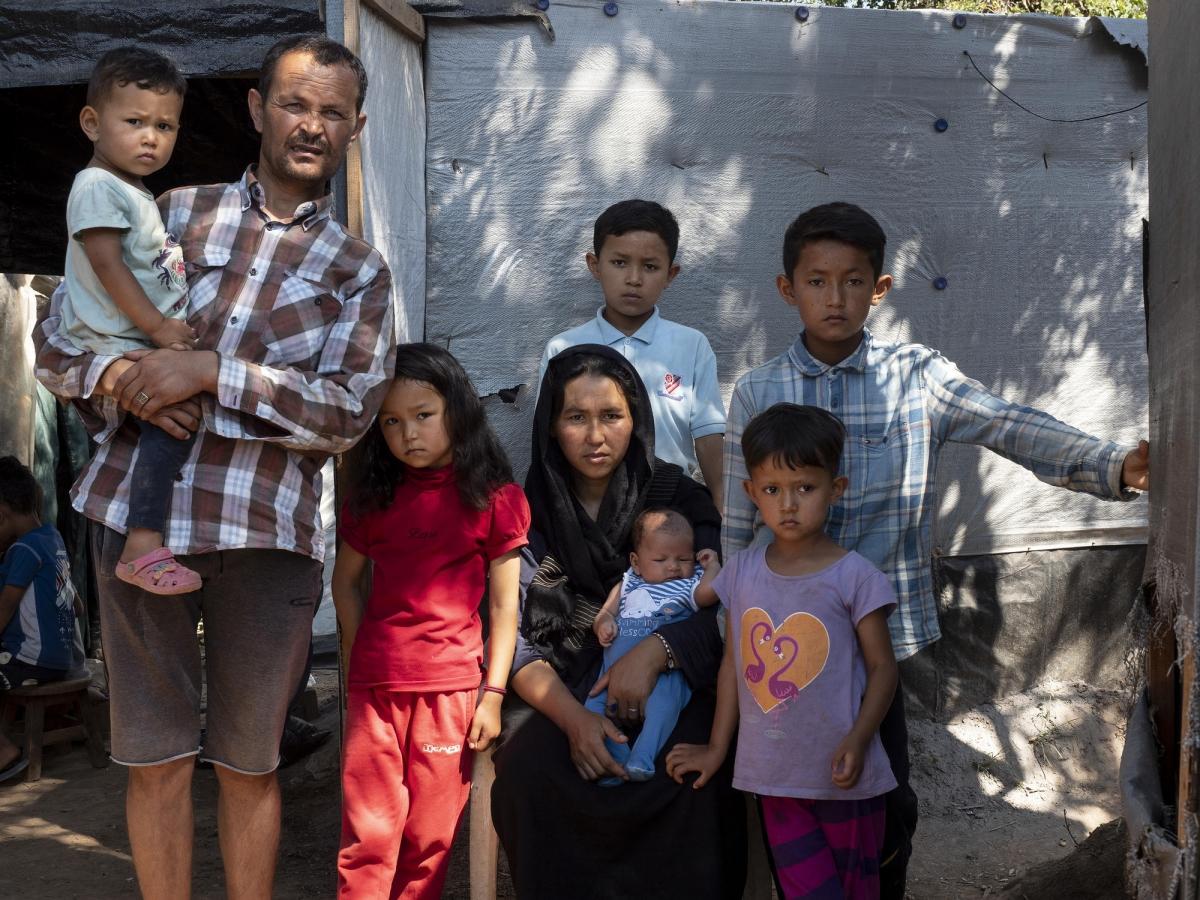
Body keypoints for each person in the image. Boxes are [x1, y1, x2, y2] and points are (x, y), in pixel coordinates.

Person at [34, 35, 395, 899]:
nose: (312, 125)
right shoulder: (169, 210)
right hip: (134, 520)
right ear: (257, 108)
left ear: (356, 126)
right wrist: (126, 379)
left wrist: (211, 373)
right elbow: (57, 338)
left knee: (247, 763)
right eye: (296, 104)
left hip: (266, 536)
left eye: (332, 111)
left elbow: (348, 410)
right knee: (154, 758)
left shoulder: (358, 271)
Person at [721, 201, 1152, 897]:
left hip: (872, 647)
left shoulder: (916, 377)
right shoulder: (759, 390)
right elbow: (737, 528)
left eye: (853, 281)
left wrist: (1112, 465)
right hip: (784, 650)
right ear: (786, 288)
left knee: (885, 801)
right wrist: (727, 644)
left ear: (880, 289)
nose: (836, 298)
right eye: (817, 280)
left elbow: (1008, 424)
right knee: (791, 801)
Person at [491, 344, 746, 898]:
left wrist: (655, 653)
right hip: (569, 683)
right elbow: (512, 635)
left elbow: (728, 606)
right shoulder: (526, 513)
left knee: (692, 779)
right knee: (531, 776)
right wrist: (573, 721)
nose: (595, 435)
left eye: (611, 415)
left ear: (637, 419)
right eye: (575, 417)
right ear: (551, 426)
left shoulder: (680, 500)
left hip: (682, 675)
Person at [669, 405, 898, 899]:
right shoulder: (742, 574)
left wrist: (860, 739)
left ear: (835, 490)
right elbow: (734, 665)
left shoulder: (855, 578)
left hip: (844, 779)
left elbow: (883, 669)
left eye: (805, 488)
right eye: (772, 490)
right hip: (774, 781)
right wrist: (716, 748)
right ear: (752, 494)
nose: (788, 504)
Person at [332, 343, 529, 898]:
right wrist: (354, 656)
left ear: (458, 412)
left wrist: (492, 693)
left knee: (429, 837)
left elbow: (504, 607)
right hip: (376, 689)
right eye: (391, 421)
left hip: (451, 693)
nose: (408, 434)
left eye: (423, 415)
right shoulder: (371, 498)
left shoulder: (495, 500)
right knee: (368, 831)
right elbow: (345, 582)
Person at [61, 47, 200, 595]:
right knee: (173, 420)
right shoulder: (96, 187)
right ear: (93, 123)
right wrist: (161, 330)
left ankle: (150, 538)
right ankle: (142, 546)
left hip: (135, 336)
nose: (151, 137)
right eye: (135, 122)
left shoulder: (132, 192)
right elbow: (107, 266)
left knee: (174, 422)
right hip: (118, 340)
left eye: (164, 126)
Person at [537, 200, 727, 507]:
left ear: (671, 273)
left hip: (670, 506)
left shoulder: (691, 345)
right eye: (620, 262)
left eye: (650, 266)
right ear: (595, 265)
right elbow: (550, 442)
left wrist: (721, 515)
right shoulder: (564, 349)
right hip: (589, 506)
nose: (634, 279)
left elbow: (708, 438)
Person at [586, 508, 721, 783]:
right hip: (611, 672)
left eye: (683, 558)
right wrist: (604, 624)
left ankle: (643, 755)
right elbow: (605, 612)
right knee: (591, 706)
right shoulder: (629, 582)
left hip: (665, 672)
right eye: (660, 559)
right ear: (636, 562)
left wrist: (712, 567)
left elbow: (708, 595)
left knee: (665, 704)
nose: (673, 566)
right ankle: (618, 755)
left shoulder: (689, 583)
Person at [0, 457, 82, 782]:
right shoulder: (52, 540)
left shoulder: (23, 550)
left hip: (30, 659)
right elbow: (78, 607)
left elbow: (4, 610)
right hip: (58, 659)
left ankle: (4, 751)